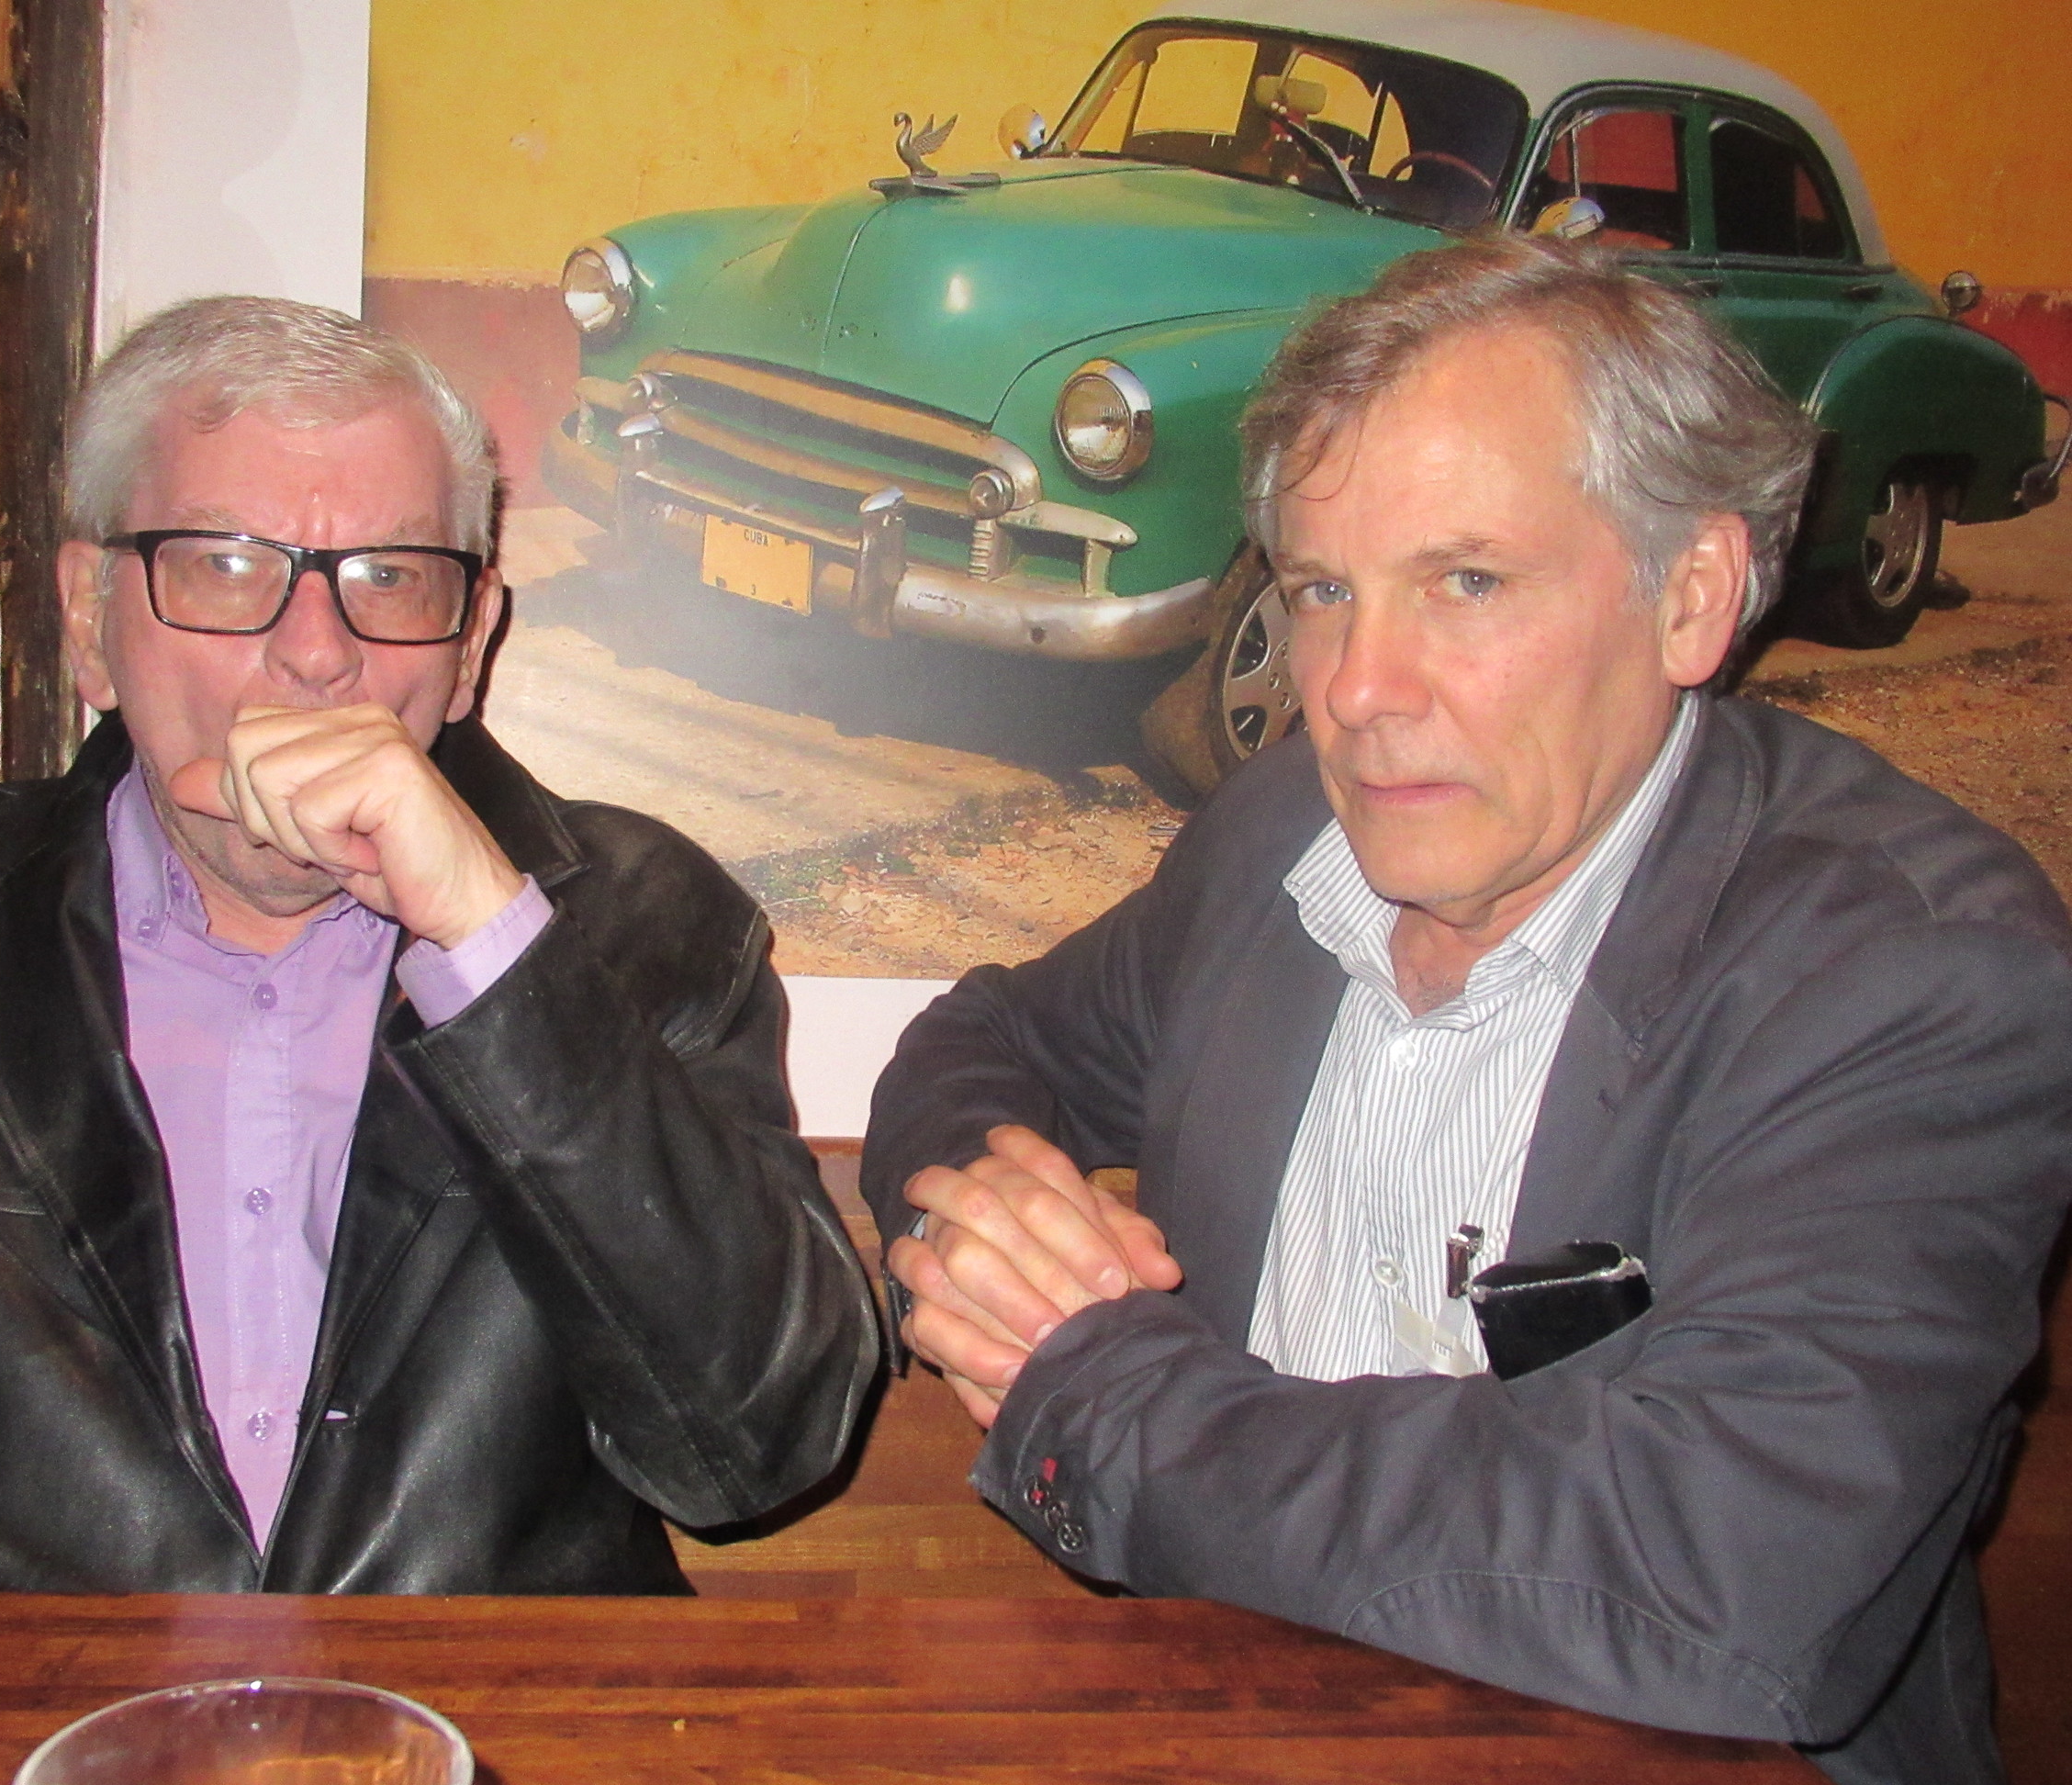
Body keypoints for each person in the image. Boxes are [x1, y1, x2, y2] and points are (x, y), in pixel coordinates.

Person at [862, 236, 2072, 1783]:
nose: (1356, 688)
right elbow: (987, 1041)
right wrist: (987, 1221)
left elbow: (1720, 1573)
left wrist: (1098, 1393)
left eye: (1468, 582)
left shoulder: (1913, 970)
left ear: (1693, 596)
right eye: (1323, 591)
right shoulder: (1276, 842)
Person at [0, 296, 878, 1593]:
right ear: (90, 619)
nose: (317, 653)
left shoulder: (646, 926)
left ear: (471, 641)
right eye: (225, 565)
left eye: (391, 578)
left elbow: (759, 1445)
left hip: (488, 1708)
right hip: (60, 1712)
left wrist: (492, 948)